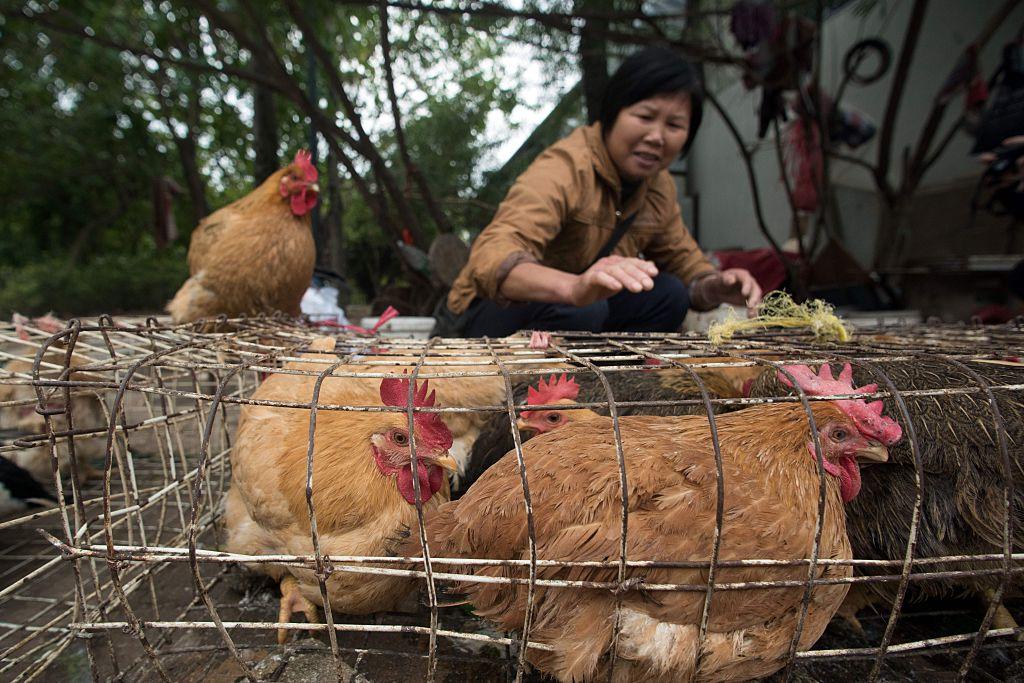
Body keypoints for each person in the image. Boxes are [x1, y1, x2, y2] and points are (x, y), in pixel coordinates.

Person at [438, 46, 763, 337]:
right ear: (612, 113)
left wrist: (715, 287)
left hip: (575, 312)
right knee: (586, 306)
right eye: (645, 116)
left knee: (669, 294)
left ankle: (615, 383)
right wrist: (574, 287)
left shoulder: (658, 185)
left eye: (674, 126)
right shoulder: (566, 166)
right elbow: (491, 256)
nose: (657, 136)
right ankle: (528, 392)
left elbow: (684, 260)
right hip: (481, 318)